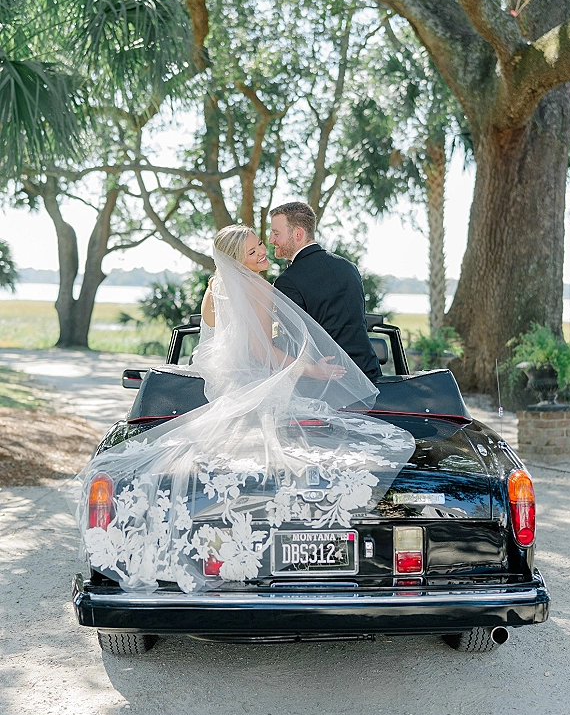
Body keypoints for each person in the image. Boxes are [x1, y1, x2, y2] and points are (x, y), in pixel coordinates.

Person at [73, 225, 415, 595]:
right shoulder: (257, 289)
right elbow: (262, 353)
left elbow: (215, 341)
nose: (264, 252)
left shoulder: (215, 286)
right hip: (250, 381)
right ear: (238, 260)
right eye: (254, 252)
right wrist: (313, 369)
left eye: (262, 245)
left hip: (216, 381)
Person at [269, 202, 382, 382]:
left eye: (276, 234)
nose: (271, 240)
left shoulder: (288, 281)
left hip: (325, 381)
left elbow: (289, 342)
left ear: (298, 234)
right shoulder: (349, 268)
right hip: (368, 374)